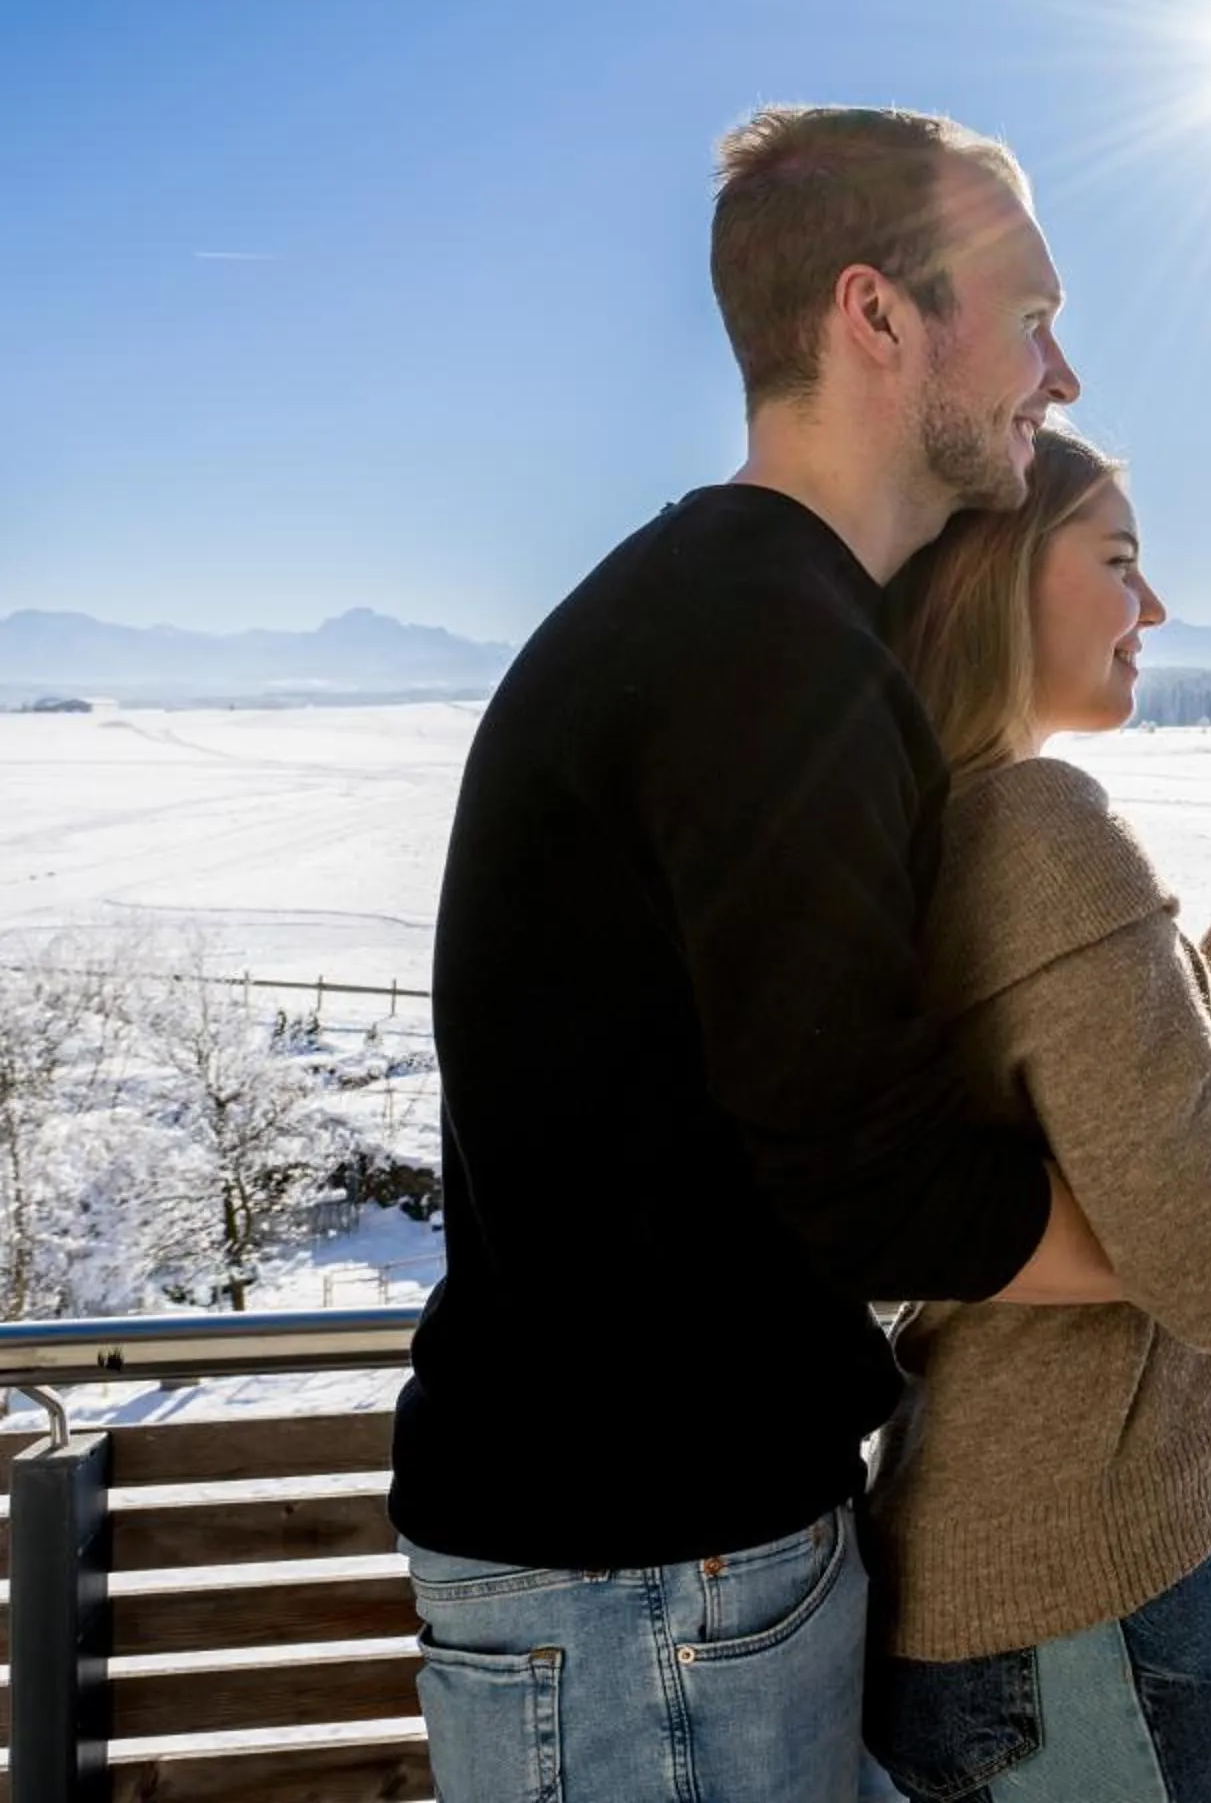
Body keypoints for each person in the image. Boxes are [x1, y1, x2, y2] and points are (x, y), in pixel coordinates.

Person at [393, 106, 1119, 1803]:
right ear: (876, 316)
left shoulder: (735, 614)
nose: (1062, 374)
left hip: (657, 1569)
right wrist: (1183, 1243)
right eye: (1028, 314)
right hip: (647, 1588)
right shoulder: (760, 650)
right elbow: (858, 1166)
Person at [862, 428, 1211, 1803]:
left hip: (1012, 1589)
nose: (1155, 610)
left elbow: (1105, 1110)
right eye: (1119, 564)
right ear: (999, 578)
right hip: (1087, 1600)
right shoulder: (1045, 827)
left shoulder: (945, 818)